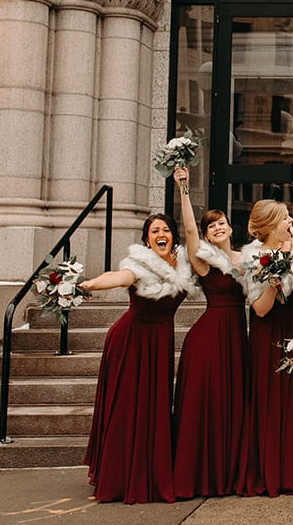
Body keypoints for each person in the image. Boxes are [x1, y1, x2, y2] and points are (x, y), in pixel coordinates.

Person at [82, 212, 196, 504]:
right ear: (147, 239)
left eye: (167, 229)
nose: (162, 233)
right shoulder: (139, 264)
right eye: (155, 230)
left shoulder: (183, 264)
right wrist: (91, 284)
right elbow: (120, 277)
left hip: (159, 343)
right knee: (127, 408)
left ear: (173, 236)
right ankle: (120, 477)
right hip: (131, 341)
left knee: (152, 406)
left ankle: (150, 471)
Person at [171, 167, 248, 499]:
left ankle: (228, 474)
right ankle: (200, 475)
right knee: (208, 405)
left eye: (221, 222)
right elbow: (188, 228)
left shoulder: (246, 259)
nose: (217, 227)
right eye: (211, 225)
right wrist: (183, 188)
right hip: (209, 337)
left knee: (232, 405)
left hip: (236, 337)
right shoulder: (204, 259)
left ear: (230, 228)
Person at [237, 199, 293, 497]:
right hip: (268, 335)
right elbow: (261, 309)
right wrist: (274, 279)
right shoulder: (253, 257)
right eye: (285, 218)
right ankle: (269, 472)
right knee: (270, 400)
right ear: (270, 225)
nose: (291, 221)